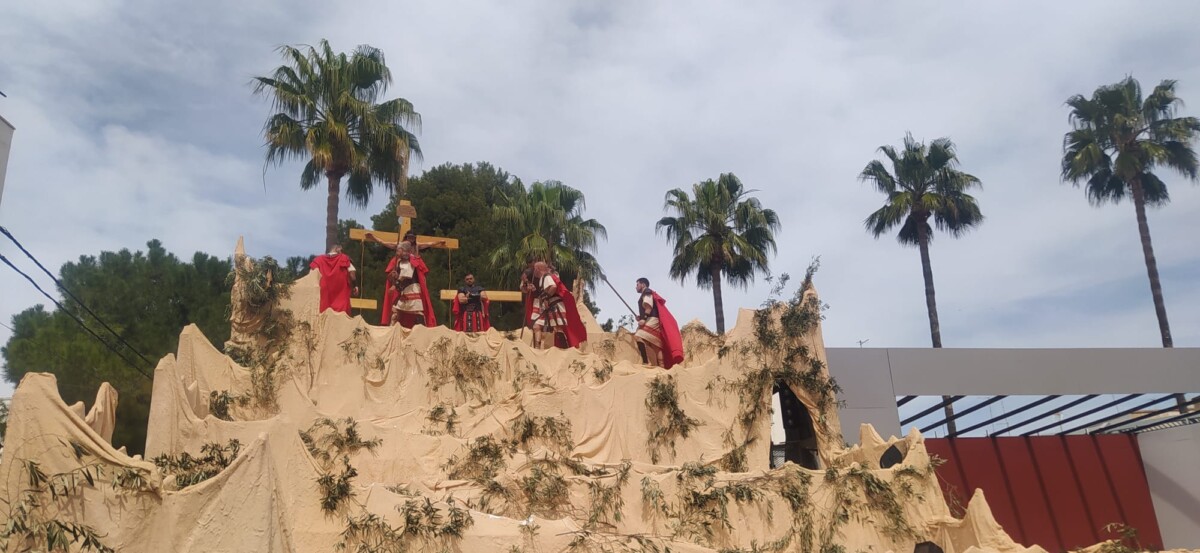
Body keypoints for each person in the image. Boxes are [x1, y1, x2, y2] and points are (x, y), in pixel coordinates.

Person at [368, 230, 441, 327]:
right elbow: (384, 243)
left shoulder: (412, 255)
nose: (411, 239)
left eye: (413, 237)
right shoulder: (400, 256)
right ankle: (393, 327)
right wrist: (393, 276)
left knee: (416, 310)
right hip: (404, 286)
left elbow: (406, 274)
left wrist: (439, 242)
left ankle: (422, 327)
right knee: (396, 309)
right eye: (409, 237)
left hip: (412, 284)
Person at [523, 261, 587, 349]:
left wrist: (545, 297)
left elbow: (553, 287)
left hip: (555, 305)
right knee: (549, 326)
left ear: (538, 269)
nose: (534, 272)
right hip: (551, 305)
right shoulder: (544, 277)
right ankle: (545, 347)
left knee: (558, 327)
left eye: (535, 269)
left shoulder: (546, 276)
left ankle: (563, 348)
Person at [633, 278, 685, 369]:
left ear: (643, 285)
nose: (636, 287)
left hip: (651, 319)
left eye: (637, 284)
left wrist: (644, 319)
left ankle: (645, 361)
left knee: (638, 335)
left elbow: (649, 307)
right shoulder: (646, 293)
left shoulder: (647, 292)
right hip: (652, 319)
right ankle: (661, 366)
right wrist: (640, 317)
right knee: (655, 344)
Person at [308, 246, 358, 314]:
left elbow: (310, 276)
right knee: (340, 320)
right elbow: (352, 276)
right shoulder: (344, 258)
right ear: (339, 250)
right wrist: (355, 286)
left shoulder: (318, 260)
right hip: (341, 297)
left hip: (323, 297)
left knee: (323, 319)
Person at [388, 244, 426, 328]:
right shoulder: (400, 261)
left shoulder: (409, 260)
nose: (397, 252)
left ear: (403, 250)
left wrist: (395, 285)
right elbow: (400, 275)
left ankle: (423, 330)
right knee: (395, 311)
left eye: (398, 250)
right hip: (404, 289)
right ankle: (392, 331)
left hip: (412, 288)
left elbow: (406, 275)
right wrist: (394, 275)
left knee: (416, 312)